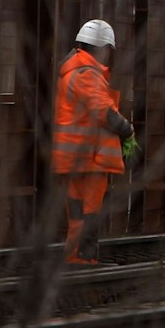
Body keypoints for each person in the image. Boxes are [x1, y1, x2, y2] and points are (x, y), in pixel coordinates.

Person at [53, 19, 135, 264]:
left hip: (74, 157)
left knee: (78, 213)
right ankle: (85, 260)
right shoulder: (87, 74)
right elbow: (104, 111)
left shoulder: (72, 72)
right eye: (108, 50)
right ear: (101, 48)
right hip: (89, 159)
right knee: (90, 212)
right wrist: (127, 129)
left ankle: (77, 258)